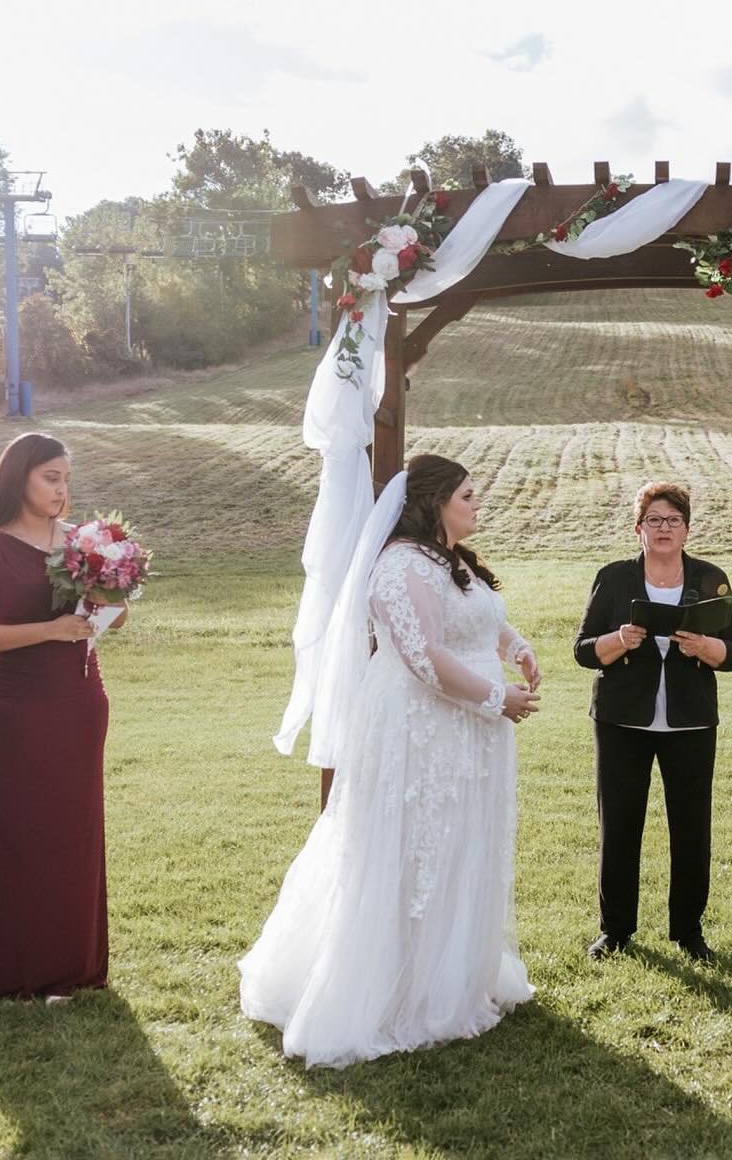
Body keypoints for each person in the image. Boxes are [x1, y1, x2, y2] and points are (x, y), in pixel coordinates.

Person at [239, 454, 541, 1066]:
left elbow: (479, 620)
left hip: (470, 733)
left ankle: (453, 974)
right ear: (435, 504)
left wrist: (518, 648)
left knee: (461, 843)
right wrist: (495, 696)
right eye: (468, 495)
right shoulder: (401, 567)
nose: (477, 504)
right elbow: (424, 657)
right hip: (424, 731)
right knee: (414, 847)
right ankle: (401, 988)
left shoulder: (452, 562)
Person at [0, 432, 124, 1000]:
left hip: (80, 701)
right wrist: (50, 629)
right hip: (13, 709)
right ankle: (9, 967)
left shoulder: (86, 542)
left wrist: (112, 601)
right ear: (19, 477)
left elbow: (113, 620)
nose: (63, 489)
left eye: (66, 478)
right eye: (51, 477)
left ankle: (71, 965)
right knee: (15, 827)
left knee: (73, 829)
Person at [574, 482, 732, 962]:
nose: (664, 527)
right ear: (639, 529)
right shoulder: (613, 578)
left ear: (687, 529)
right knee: (620, 827)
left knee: (692, 830)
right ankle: (616, 930)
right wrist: (620, 640)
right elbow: (584, 650)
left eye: (673, 519)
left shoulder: (712, 577)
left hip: (691, 723)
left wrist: (703, 647)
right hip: (620, 721)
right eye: (654, 519)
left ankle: (689, 931)